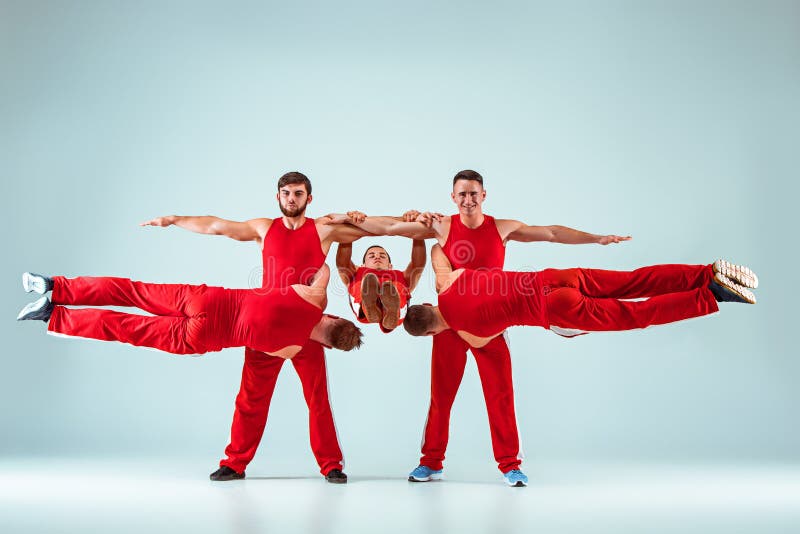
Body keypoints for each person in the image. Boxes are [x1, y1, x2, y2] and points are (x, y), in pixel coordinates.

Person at [326, 169, 631, 487]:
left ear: (483, 195)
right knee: (440, 397)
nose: (468, 199)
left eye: (474, 193)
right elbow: (389, 226)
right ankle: (431, 462)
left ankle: (510, 465)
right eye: (462, 194)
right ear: (453, 197)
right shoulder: (442, 226)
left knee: (500, 396)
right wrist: (349, 219)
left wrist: (595, 238)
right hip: (449, 323)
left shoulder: (502, 228)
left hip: (491, 325)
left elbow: (552, 233)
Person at [140, 171, 374, 483]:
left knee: (317, 399)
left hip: (307, 328)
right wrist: (174, 219)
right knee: (251, 398)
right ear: (278, 196)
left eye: (298, 193)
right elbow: (216, 225)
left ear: (309, 198)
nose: (292, 198)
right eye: (287, 193)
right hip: (265, 328)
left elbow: (378, 228)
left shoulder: (322, 229)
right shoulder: (264, 228)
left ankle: (331, 465)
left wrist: (387, 219)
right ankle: (234, 463)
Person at [402, 246, 758, 345]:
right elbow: (437, 251)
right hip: (555, 276)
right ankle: (705, 272)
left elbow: (496, 328)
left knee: (635, 315)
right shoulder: (452, 280)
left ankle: (711, 295)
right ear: (427, 304)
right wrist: (438, 275)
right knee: (633, 281)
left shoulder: (470, 335)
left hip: (555, 309)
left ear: (432, 331)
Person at [17, 267, 363, 357]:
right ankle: (51, 314)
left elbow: (321, 262)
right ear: (328, 345)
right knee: (125, 329)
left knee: (131, 291)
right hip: (206, 336)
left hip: (210, 302)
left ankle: (53, 285)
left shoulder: (315, 299)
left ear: (335, 317)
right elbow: (263, 343)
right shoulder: (292, 349)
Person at [335, 239, 426, 332]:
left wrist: (418, 238)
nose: (377, 257)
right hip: (364, 300)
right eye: (371, 256)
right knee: (364, 282)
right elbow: (342, 262)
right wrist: (347, 236)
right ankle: (368, 307)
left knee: (395, 288)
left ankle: (391, 313)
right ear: (362, 265)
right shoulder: (356, 272)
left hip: (395, 300)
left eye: (382, 256)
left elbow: (417, 265)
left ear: (390, 266)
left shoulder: (402, 276)